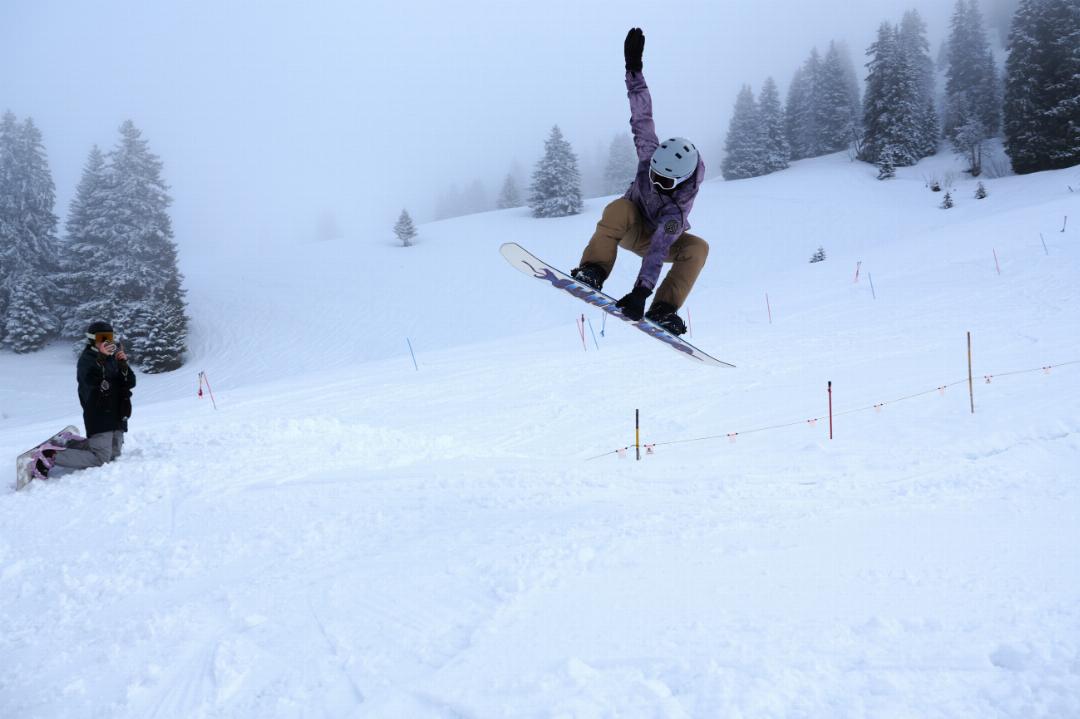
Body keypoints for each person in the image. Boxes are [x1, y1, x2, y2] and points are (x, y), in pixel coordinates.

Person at [572, 27, 708, 336]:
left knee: (698, 248)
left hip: (656, 239)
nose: (656, 183)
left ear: (681, 181)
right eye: (654, 175)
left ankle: (664, 309)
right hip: (629, 226)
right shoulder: (649, 155)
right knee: (620, 207)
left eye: (665, 181)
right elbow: (642, 116)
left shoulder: (676, 209)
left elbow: (659, 249)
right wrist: (633, 68)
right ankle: (594, 269)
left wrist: (641, 293)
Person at [32, 321, 137, 478]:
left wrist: (123, 365)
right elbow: (96, 384)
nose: (106, 341)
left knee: (114, 454)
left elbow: (130, 383)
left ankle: (72, 442)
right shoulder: (87, 359)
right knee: (101, 459)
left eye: (109, 337)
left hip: (118, 414)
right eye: (102, 337)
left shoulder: (115, 357)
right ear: (92, 339)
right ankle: (49, 455)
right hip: (100, 413)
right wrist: (102, 358)